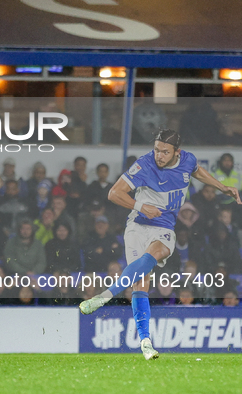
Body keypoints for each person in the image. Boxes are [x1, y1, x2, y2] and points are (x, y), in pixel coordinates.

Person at [79, 128, 242, 360]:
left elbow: (198, 172)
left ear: (177, 152)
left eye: (165, 152)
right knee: (140, 283)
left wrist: (222, 187)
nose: (159, 155)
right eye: (156, 150)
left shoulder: (188, 160)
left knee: (157, 252)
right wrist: (140, 206)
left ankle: (104, 296)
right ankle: (146, 342)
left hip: (164, 226)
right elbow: (114, 193)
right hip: (137, 225)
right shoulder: (144, 165)